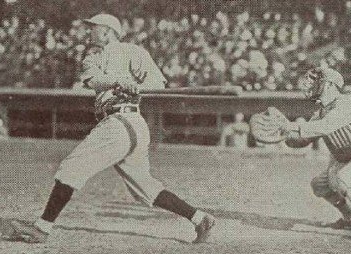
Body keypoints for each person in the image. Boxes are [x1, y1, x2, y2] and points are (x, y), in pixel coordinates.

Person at [11, 14, 215, 244]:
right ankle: (200, 218)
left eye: (93, 29)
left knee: (71, 168)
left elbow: (158, 84)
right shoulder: (92, 58)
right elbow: (94, 82)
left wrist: (136, 86)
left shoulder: (133, 51)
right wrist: (118, 82)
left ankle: (41, 228)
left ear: (107, 31)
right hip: (125, 125)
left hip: (122, 122)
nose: (88, 33)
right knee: (145, 188)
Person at [282, 67, 351, 232]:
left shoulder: (346, 103)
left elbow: (325, 127)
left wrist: (291, 125)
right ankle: (350, 217)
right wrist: (284, 136)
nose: (311, 83)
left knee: (346, 177)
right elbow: (303, 139)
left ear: (329, 85)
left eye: (316, 80)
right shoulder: (321, 112)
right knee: (319, 185)